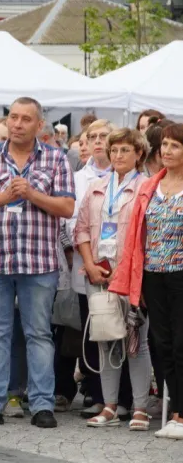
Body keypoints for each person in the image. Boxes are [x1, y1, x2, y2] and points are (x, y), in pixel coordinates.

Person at [0, 97, 75, 430]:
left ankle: (42, 404)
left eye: (25, 119)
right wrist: (3, 198)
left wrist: (32, 195)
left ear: (38, 125)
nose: (17, 124)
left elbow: (68, 208)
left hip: (39, 261)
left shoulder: (56, 159)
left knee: (39, 334)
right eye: (13, 117)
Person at [74, 128, 150, 431]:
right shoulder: (96, 186)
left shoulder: (147, 187)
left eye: (125, 150)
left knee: (136, 342)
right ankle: (109, 406)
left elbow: (149, 235)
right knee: (106, 339)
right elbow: (80, 229)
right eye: (114, 150)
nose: (118, 156)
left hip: (132, 276)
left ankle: (141, 407)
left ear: (139, 154)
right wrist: (90, 265)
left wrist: (130, 271)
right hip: (100, 274)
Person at [111, 123, 183, 439]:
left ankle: (180, 413)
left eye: (175, 146)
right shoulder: (150, 186)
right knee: (159, 343)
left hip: (181, 275)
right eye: (164, 145)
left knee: (181, 343)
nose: (166, 151)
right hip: (152, 274)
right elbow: (136, 236)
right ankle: (175, 408)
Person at [65, 120, 119, 415]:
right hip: (88, 265)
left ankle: (123, 398)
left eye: (104, 136)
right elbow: (71, 221)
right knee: (94, 329)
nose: (98, 141)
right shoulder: (77, 178)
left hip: (121, 266)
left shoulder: (131, 177)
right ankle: (98, 396)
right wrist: (89, 258)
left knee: (123, 330)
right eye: (92, 137)